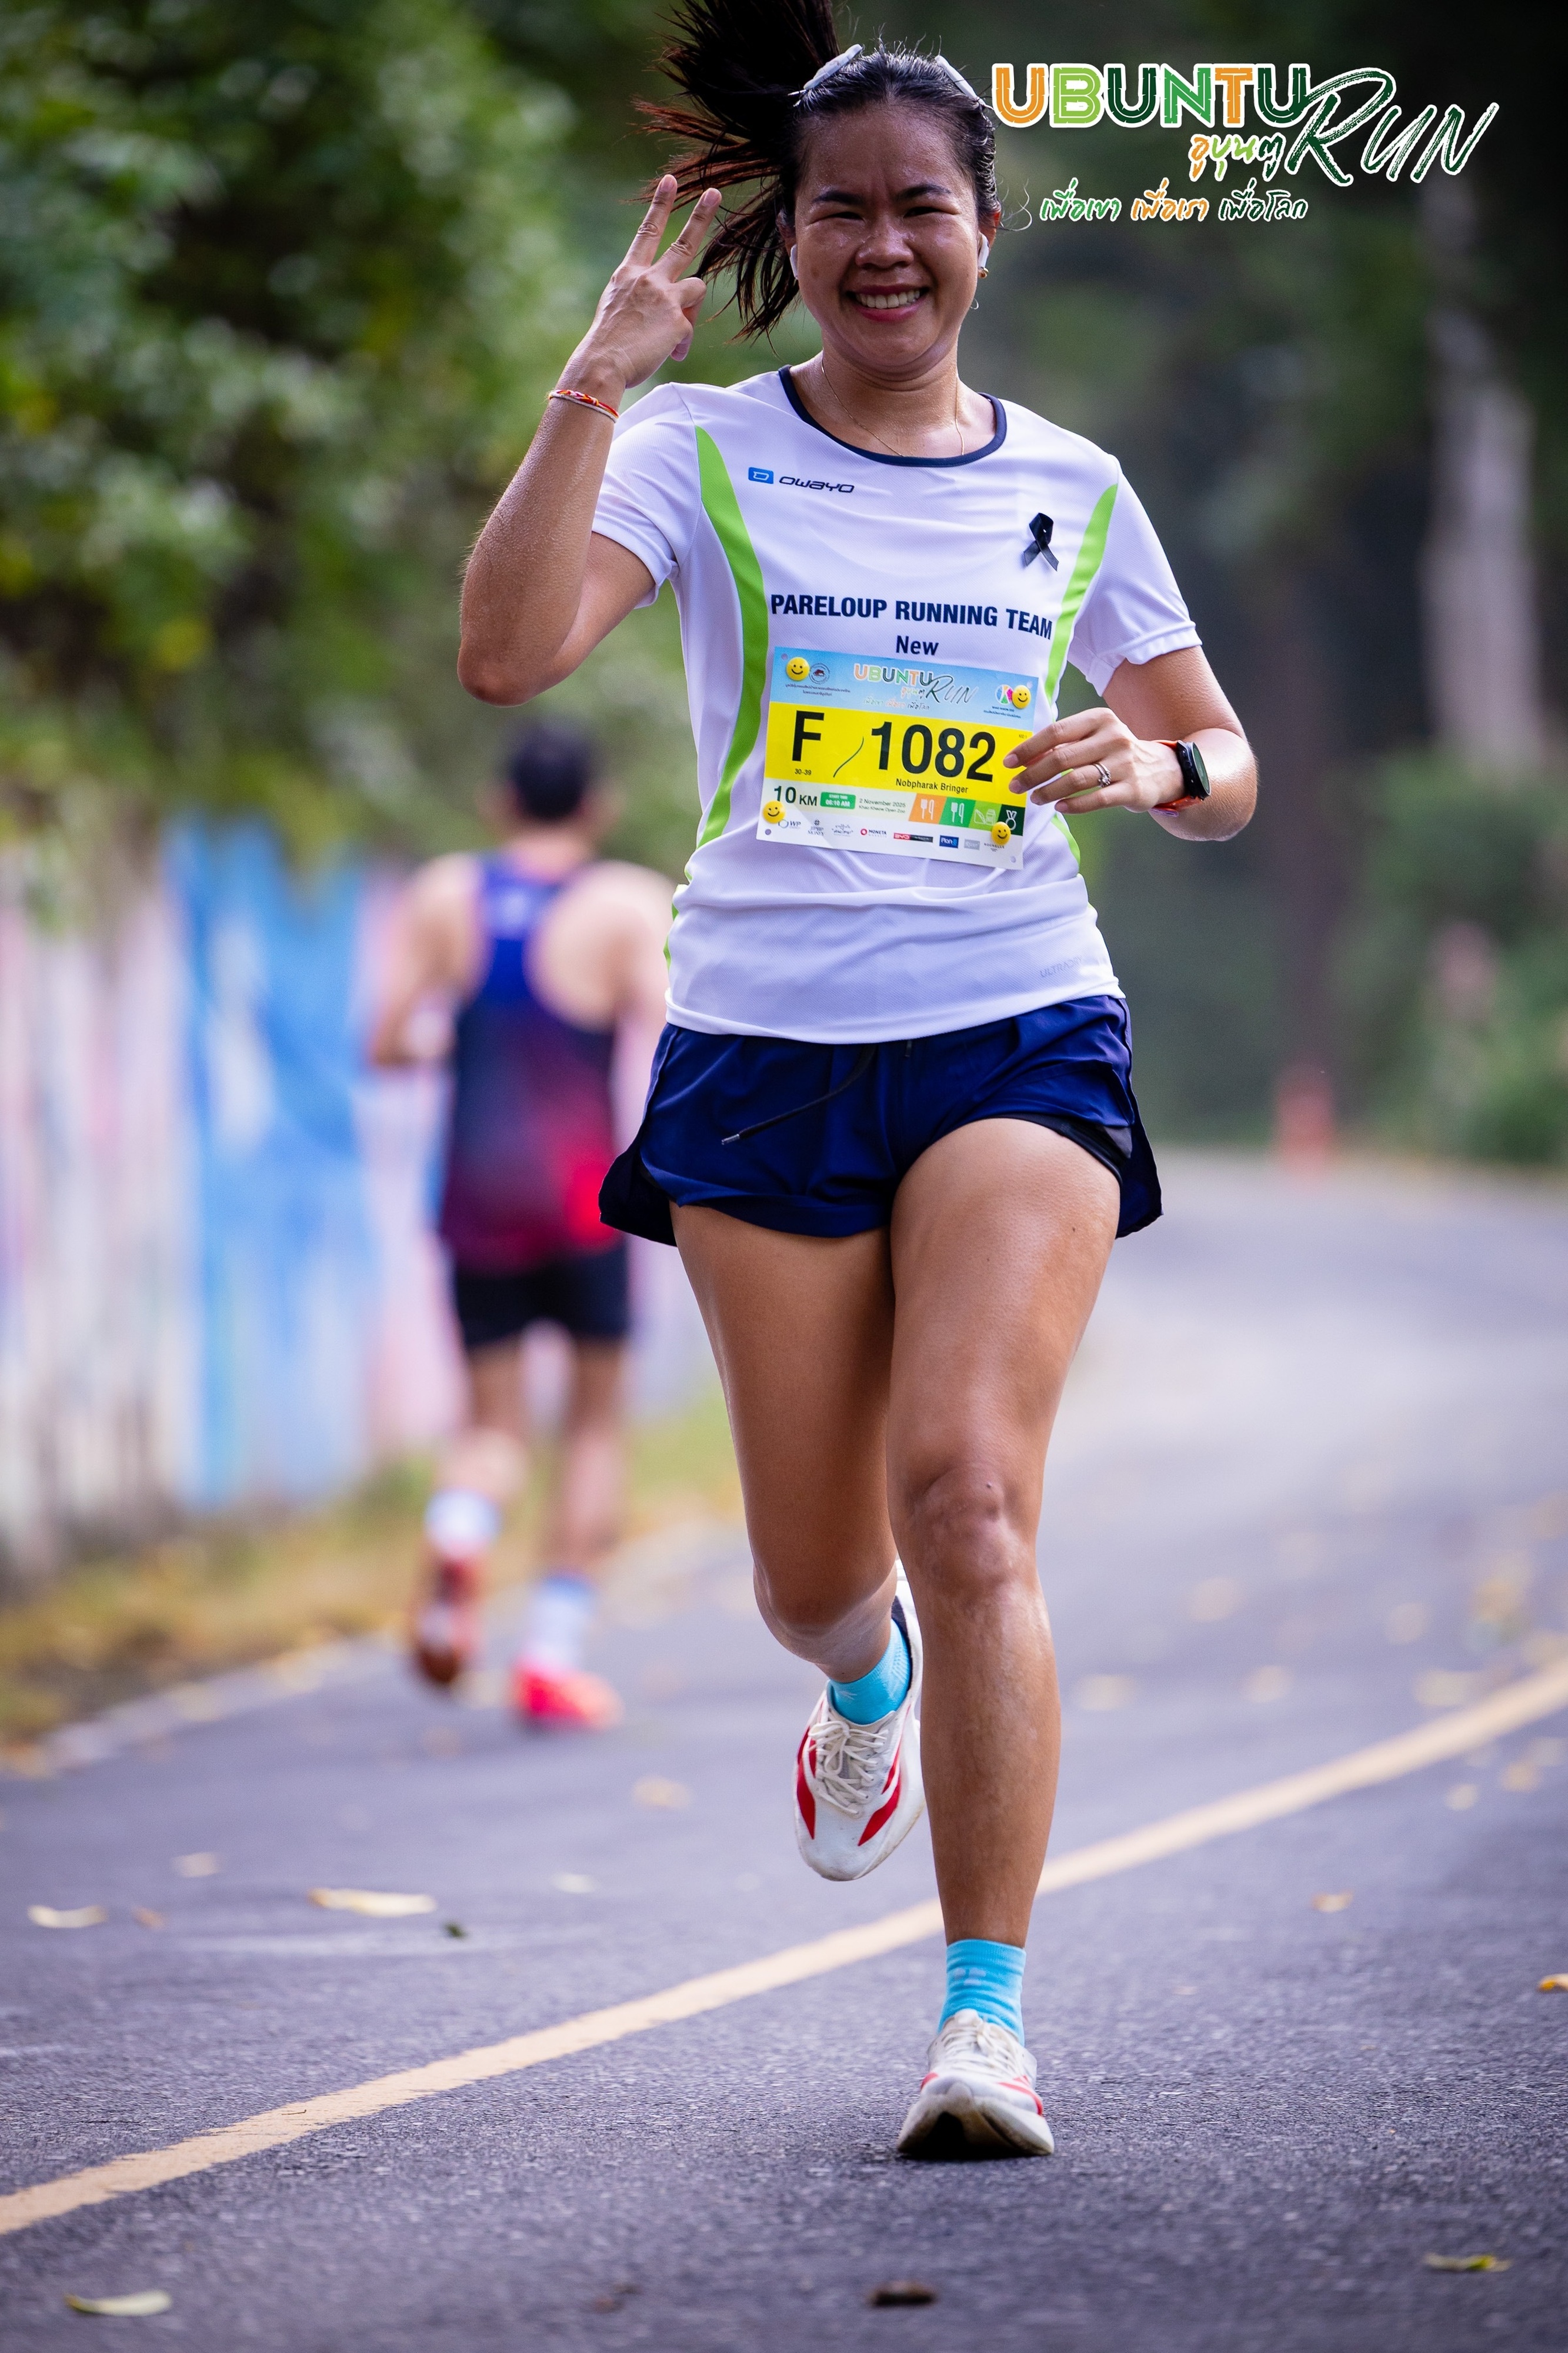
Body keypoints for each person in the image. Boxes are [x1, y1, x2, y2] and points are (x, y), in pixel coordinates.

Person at [457, 0, 1256, 2155]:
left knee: (968, 1498)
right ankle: (860, 1679)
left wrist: (1152, 765)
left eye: (921, 206)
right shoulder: (695, 448)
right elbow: (507, 656)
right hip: (766, 1048)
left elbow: (1222, 762)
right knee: (814, 1576)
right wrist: (591, 383)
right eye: (840, 212)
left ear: (985, 229)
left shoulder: (1074, 488)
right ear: (790, 239)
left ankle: (983, 2022)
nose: (883, 244)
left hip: (1018, 1018)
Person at [369, 724, 670, 1729]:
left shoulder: (444, 896)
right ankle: (548, 1657)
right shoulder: (625, 906)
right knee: (592, 1424)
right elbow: (670, 1040)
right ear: (596, 807)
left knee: (491, 1424)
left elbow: (386, 1042)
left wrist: (458, 1041)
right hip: (584, 1206)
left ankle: (461, 1529)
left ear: (500, 802)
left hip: (474, 1199)